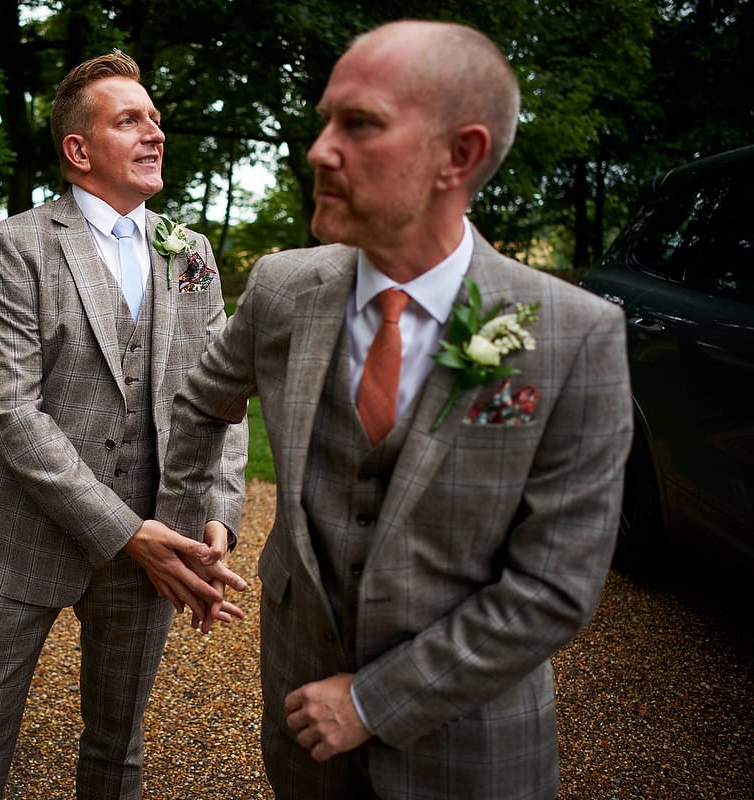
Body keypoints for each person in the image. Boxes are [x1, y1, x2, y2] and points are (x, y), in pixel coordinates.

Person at [154, 19, 633, 799]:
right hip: (300, 726)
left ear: (461, 155)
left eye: (362, 123)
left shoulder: (573, 335)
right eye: (324, 122)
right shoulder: (282, 290)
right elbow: (200, 406)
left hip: (469, 751)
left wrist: (375, 702)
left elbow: (556, 587)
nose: (319, 150)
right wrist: (194, 523)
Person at [0, 50, 248, 800]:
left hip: (155, 549)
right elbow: (10, 411)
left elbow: (223, 399)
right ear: (79, 150)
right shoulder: (16, 245)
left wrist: (214, 517)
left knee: (117, 753)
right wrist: (126, 532)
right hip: (22, 541)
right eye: (129, 120)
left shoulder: (189, 252)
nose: (154, 133)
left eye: (156, 119)